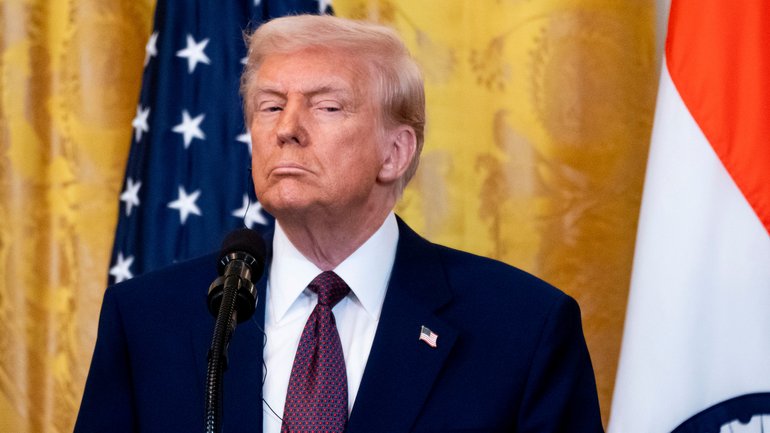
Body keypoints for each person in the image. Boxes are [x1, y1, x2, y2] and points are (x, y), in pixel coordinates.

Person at [75, 14, 603, 433]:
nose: (287, 129)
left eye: (326, 107)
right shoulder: (148, 319)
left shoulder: (521, 327)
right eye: (270, 106)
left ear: (395, 152)